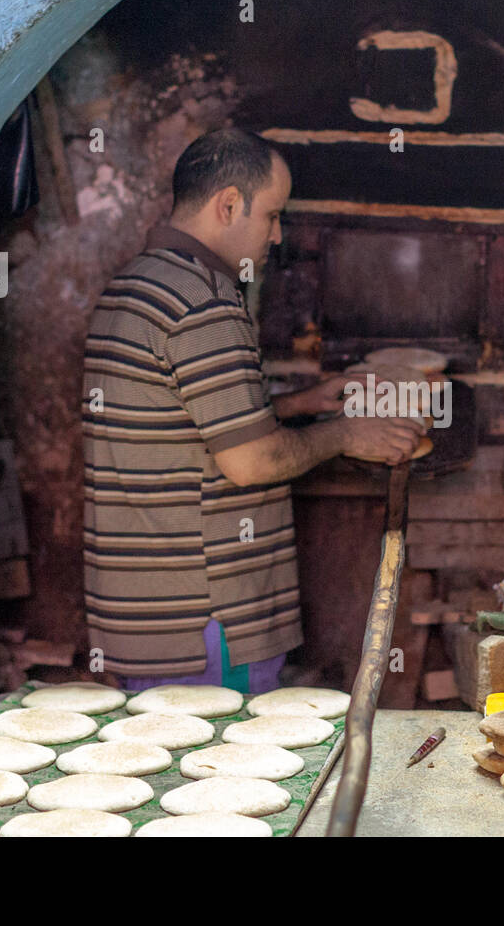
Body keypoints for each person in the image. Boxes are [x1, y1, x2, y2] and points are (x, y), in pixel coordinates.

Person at [81, 128, 422, 693]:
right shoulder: (204, 303)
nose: (278, 234)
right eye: (272, 215)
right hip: (209, 621)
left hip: (145, 615)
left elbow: (183, 421)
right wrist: (346, 435)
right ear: (228, 204)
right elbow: (251, 461)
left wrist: (299, 403)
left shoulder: (135, 284)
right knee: (225, 749)